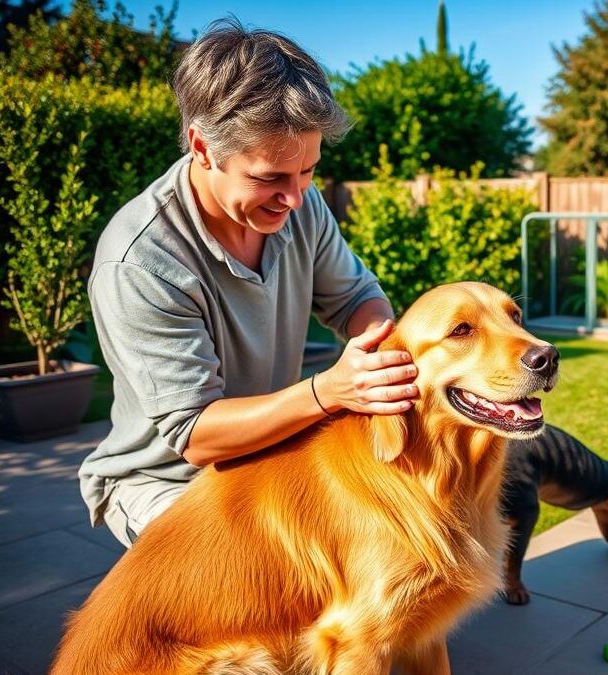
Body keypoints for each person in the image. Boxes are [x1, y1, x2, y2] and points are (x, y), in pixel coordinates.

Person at [79, 19, 418, 549]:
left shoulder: (297, 208)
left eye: (308, 171)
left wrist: (378, 352)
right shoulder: (140, 261)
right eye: (270, 178)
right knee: (268, 581)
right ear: (202, 146)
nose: (296, 198)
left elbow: (356, 299)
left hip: (276, 449)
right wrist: (330, 390)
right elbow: (196, 434)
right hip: (166, 481)